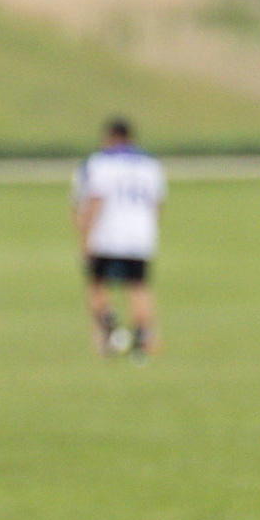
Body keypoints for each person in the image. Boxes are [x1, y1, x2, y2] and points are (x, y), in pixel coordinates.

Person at [72, 117, 165, 361]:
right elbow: (157, 204)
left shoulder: (101, 163)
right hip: (140, 236)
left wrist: (84, 238)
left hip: (107, 234)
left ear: (110, 137)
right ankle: (142, 340)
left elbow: (95, 201)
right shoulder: (150, 165)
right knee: (138, 286)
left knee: (96, 283)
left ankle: (109, 327)